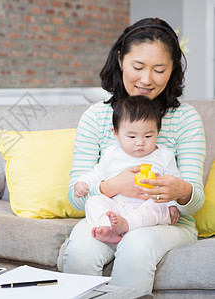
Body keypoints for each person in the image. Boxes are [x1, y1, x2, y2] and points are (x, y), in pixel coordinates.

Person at [63, 18, 205, 293]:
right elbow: (74, 194)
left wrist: (181, 191)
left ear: (173, 68)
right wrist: (112, 186)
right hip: (111, 215)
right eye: (138, 67)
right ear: (120, 60)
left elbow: (193, 202)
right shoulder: (96, 116)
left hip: (165, 220)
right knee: (81, 250)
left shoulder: (186, 119)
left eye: (159, 69)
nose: (146, 80)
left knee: (137, 245)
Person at [75, 95, 180, 244]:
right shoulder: (112, 154)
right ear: (116, 133)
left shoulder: (163, 155)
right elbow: (97, 173)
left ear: (158, 131)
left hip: (148, 207)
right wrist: (82, 182)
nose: (140, 143)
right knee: (93, 201)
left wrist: (172, 204)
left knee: (159, 205)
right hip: (118, 207)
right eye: (131, 136)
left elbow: (174, 181)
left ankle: (127, 225)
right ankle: (108, 228)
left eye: (148, 136)